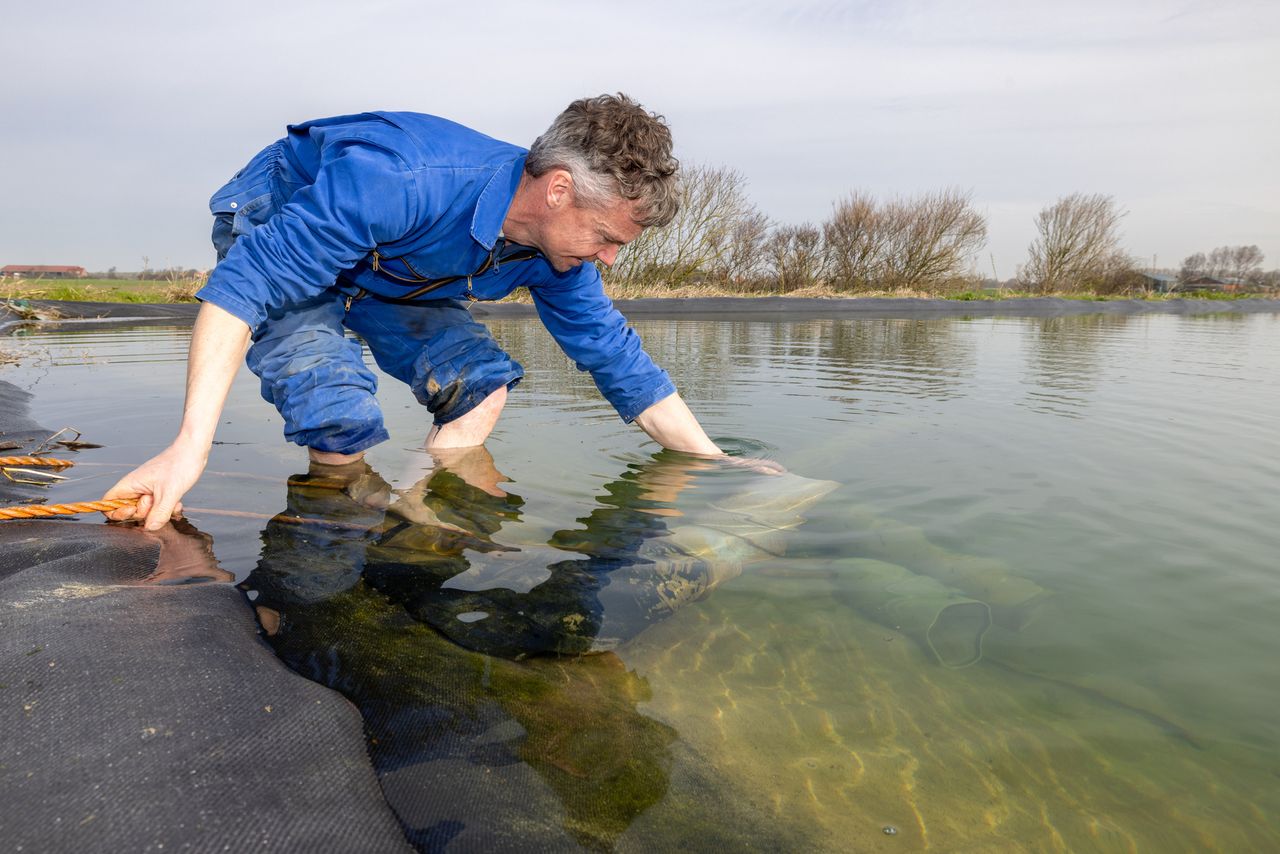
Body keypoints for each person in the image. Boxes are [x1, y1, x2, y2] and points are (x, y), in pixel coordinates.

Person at [105, 94, 748, 531]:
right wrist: (189, 449)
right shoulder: (404, 178)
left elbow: (618, 360)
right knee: (337, 416)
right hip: (285, 212)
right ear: (559, 190)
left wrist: (717, 465)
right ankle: (322, 564)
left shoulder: (559, 256)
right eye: (606, 236)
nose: (608, 258)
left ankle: (407, 509)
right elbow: (240, 291)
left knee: (482, 387)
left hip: (395, 272)